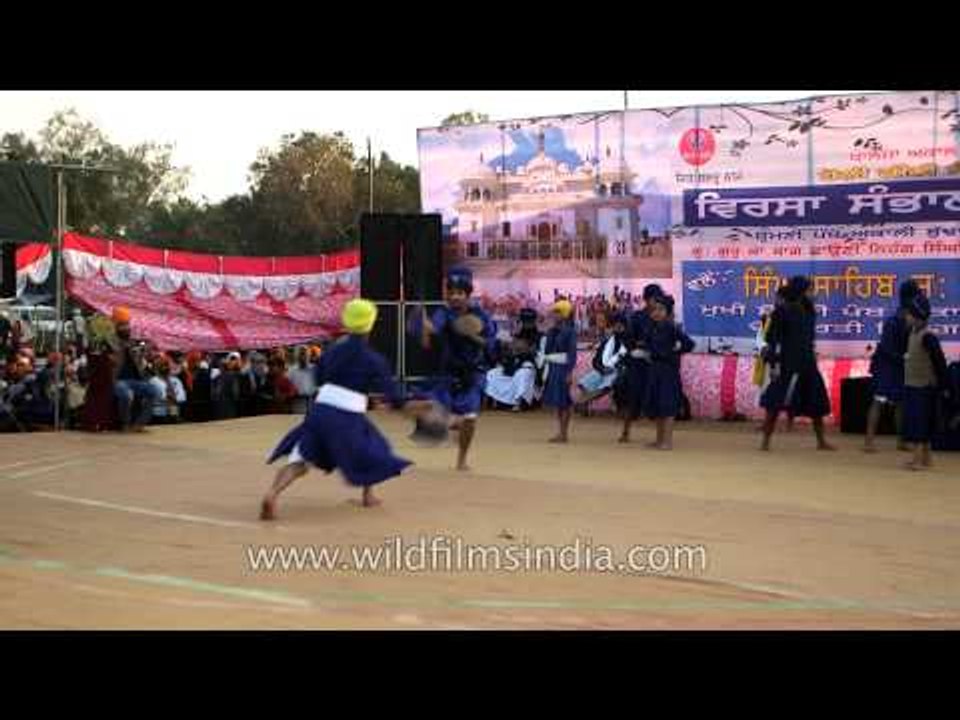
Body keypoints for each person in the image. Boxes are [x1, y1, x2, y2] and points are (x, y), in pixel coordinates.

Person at [261, 299, 430, 520]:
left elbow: (318, 378)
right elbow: (395, 398)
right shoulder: (373, 359)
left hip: (319, 412)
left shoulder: (331, 351)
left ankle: (272, 494)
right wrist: (413, 405)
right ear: (370, 325)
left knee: (299, 460)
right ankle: (368, 496)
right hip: (347, 416)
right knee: (375, 448)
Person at [419, 267, 497, 471]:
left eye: (459, 293)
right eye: (451, 292)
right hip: (448, 373)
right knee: (435, 416)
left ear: (468, 294)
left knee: (470, 419)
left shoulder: (480, 315)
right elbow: (430, 338)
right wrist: (427, 331)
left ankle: (461, 459)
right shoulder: (443, 312)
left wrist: (470, 334)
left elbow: (490, 343)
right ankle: (451, 423)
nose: (454, 297)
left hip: (473, 373)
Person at [759, 276, 835, 452]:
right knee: (775, 404)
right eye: (810, 290)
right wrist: (775, 363)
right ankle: (765, 441)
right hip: (788, 365)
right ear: (801, 291)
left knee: (816, 404)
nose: (813, 293)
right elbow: (773, 339)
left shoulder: (810, 311)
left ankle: (821, 441)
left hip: (807, 363)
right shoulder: (782, 311)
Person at [864, 280, 921, 453]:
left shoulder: (911, 316)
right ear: (912, 296)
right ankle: (868, 442)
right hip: (886, 366)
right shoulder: (894, 321)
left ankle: (901, 441)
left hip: (900, 365)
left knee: (900, 404)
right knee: (878, 402)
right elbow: (887, 348)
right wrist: (903, 359)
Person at [901, 293, 950, 471]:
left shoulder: (928, 337)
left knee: (921, 423)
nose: (906, 317)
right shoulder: (912, 333)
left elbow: (940, 362)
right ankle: (926, 459)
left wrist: (945, 386)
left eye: (909, 315)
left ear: (918, 317)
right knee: (917, 422)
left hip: (924, 387)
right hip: (912, 386)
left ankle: (918, 459)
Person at [642, 295, 695, 449]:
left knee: (668, 406)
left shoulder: (671, 327)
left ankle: (668, 441)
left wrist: (674, 352)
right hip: (654, 370)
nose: (657, 313)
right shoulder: (651, 328)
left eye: (661, 309)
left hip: (668, 371)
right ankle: (659, 440)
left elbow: (689, 344)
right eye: (654, 310)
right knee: (657, 405)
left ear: (667, 312)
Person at [617, 283, 663, 443]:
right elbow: (628, 339)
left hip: (656, 363)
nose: (656, 301)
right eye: (654, 298)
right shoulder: (637, 317)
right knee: (632, 397)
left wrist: (655, 352)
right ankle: (625, 432)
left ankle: (661, 437)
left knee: (658, 399)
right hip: (637, 364)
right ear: (647, 299)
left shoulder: (663, 315)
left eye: (659, 298)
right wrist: (635, 350)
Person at [112, 307, 161, 433]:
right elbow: (111, 359)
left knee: (155, 391)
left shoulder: (134, 342)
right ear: (116, 326)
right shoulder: (111, 342)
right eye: (122, 325)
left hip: (136, 380)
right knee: (126, 394)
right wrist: (122, 348)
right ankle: (125, 424)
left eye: (127, 325)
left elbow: (143, 357)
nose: (126, 328)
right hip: (118, 380)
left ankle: (139, 424)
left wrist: (143, 351)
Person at [484, 308, 541, 411]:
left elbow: (535, 353)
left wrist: (523, 349)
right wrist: (507, 346)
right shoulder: (516, 333)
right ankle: (496, 400)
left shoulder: (539, 335)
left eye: (529, 320)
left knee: (522, 375)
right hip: (512, 364)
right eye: (524, 319)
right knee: (492, 373)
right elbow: (509, 350)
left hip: (526, 364)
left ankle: (518, 402)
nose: (526, 322)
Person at [541, 299, 579, 443]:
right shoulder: (552, 331)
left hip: (563, 368)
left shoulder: (570, 331)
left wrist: (569, 372)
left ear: (564, 313)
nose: (554, 315)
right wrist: (550, 331)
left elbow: (572, 353)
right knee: (558, 401)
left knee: (564, 401)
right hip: (553, 366)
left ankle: (564, 433)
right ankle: (560, 432)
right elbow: (547, 350)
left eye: (557, 312)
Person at [575, 310, 627, 409]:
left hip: (618, 371)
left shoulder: (627, 340)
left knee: (605, 386)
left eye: (620, 325)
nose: (617, 328)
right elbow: (596, 360)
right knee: (583, 384)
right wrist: (601, 369)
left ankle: (583, 401)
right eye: (615, 325)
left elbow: (625, 359)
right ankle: (584, 402)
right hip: (602, 370)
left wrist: (615, 368)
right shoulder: (607, 341)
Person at [148, 354, 187, 423]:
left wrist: (173, 398)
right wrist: (170, 397)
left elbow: (182, 397)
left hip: (174, 413)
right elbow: (160, 397)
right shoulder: (153, 381)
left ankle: (174, 416)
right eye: (162, 365)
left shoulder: (176, 380)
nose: (165, 368)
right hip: (159, 414)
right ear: (157, 367)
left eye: (166, 365)